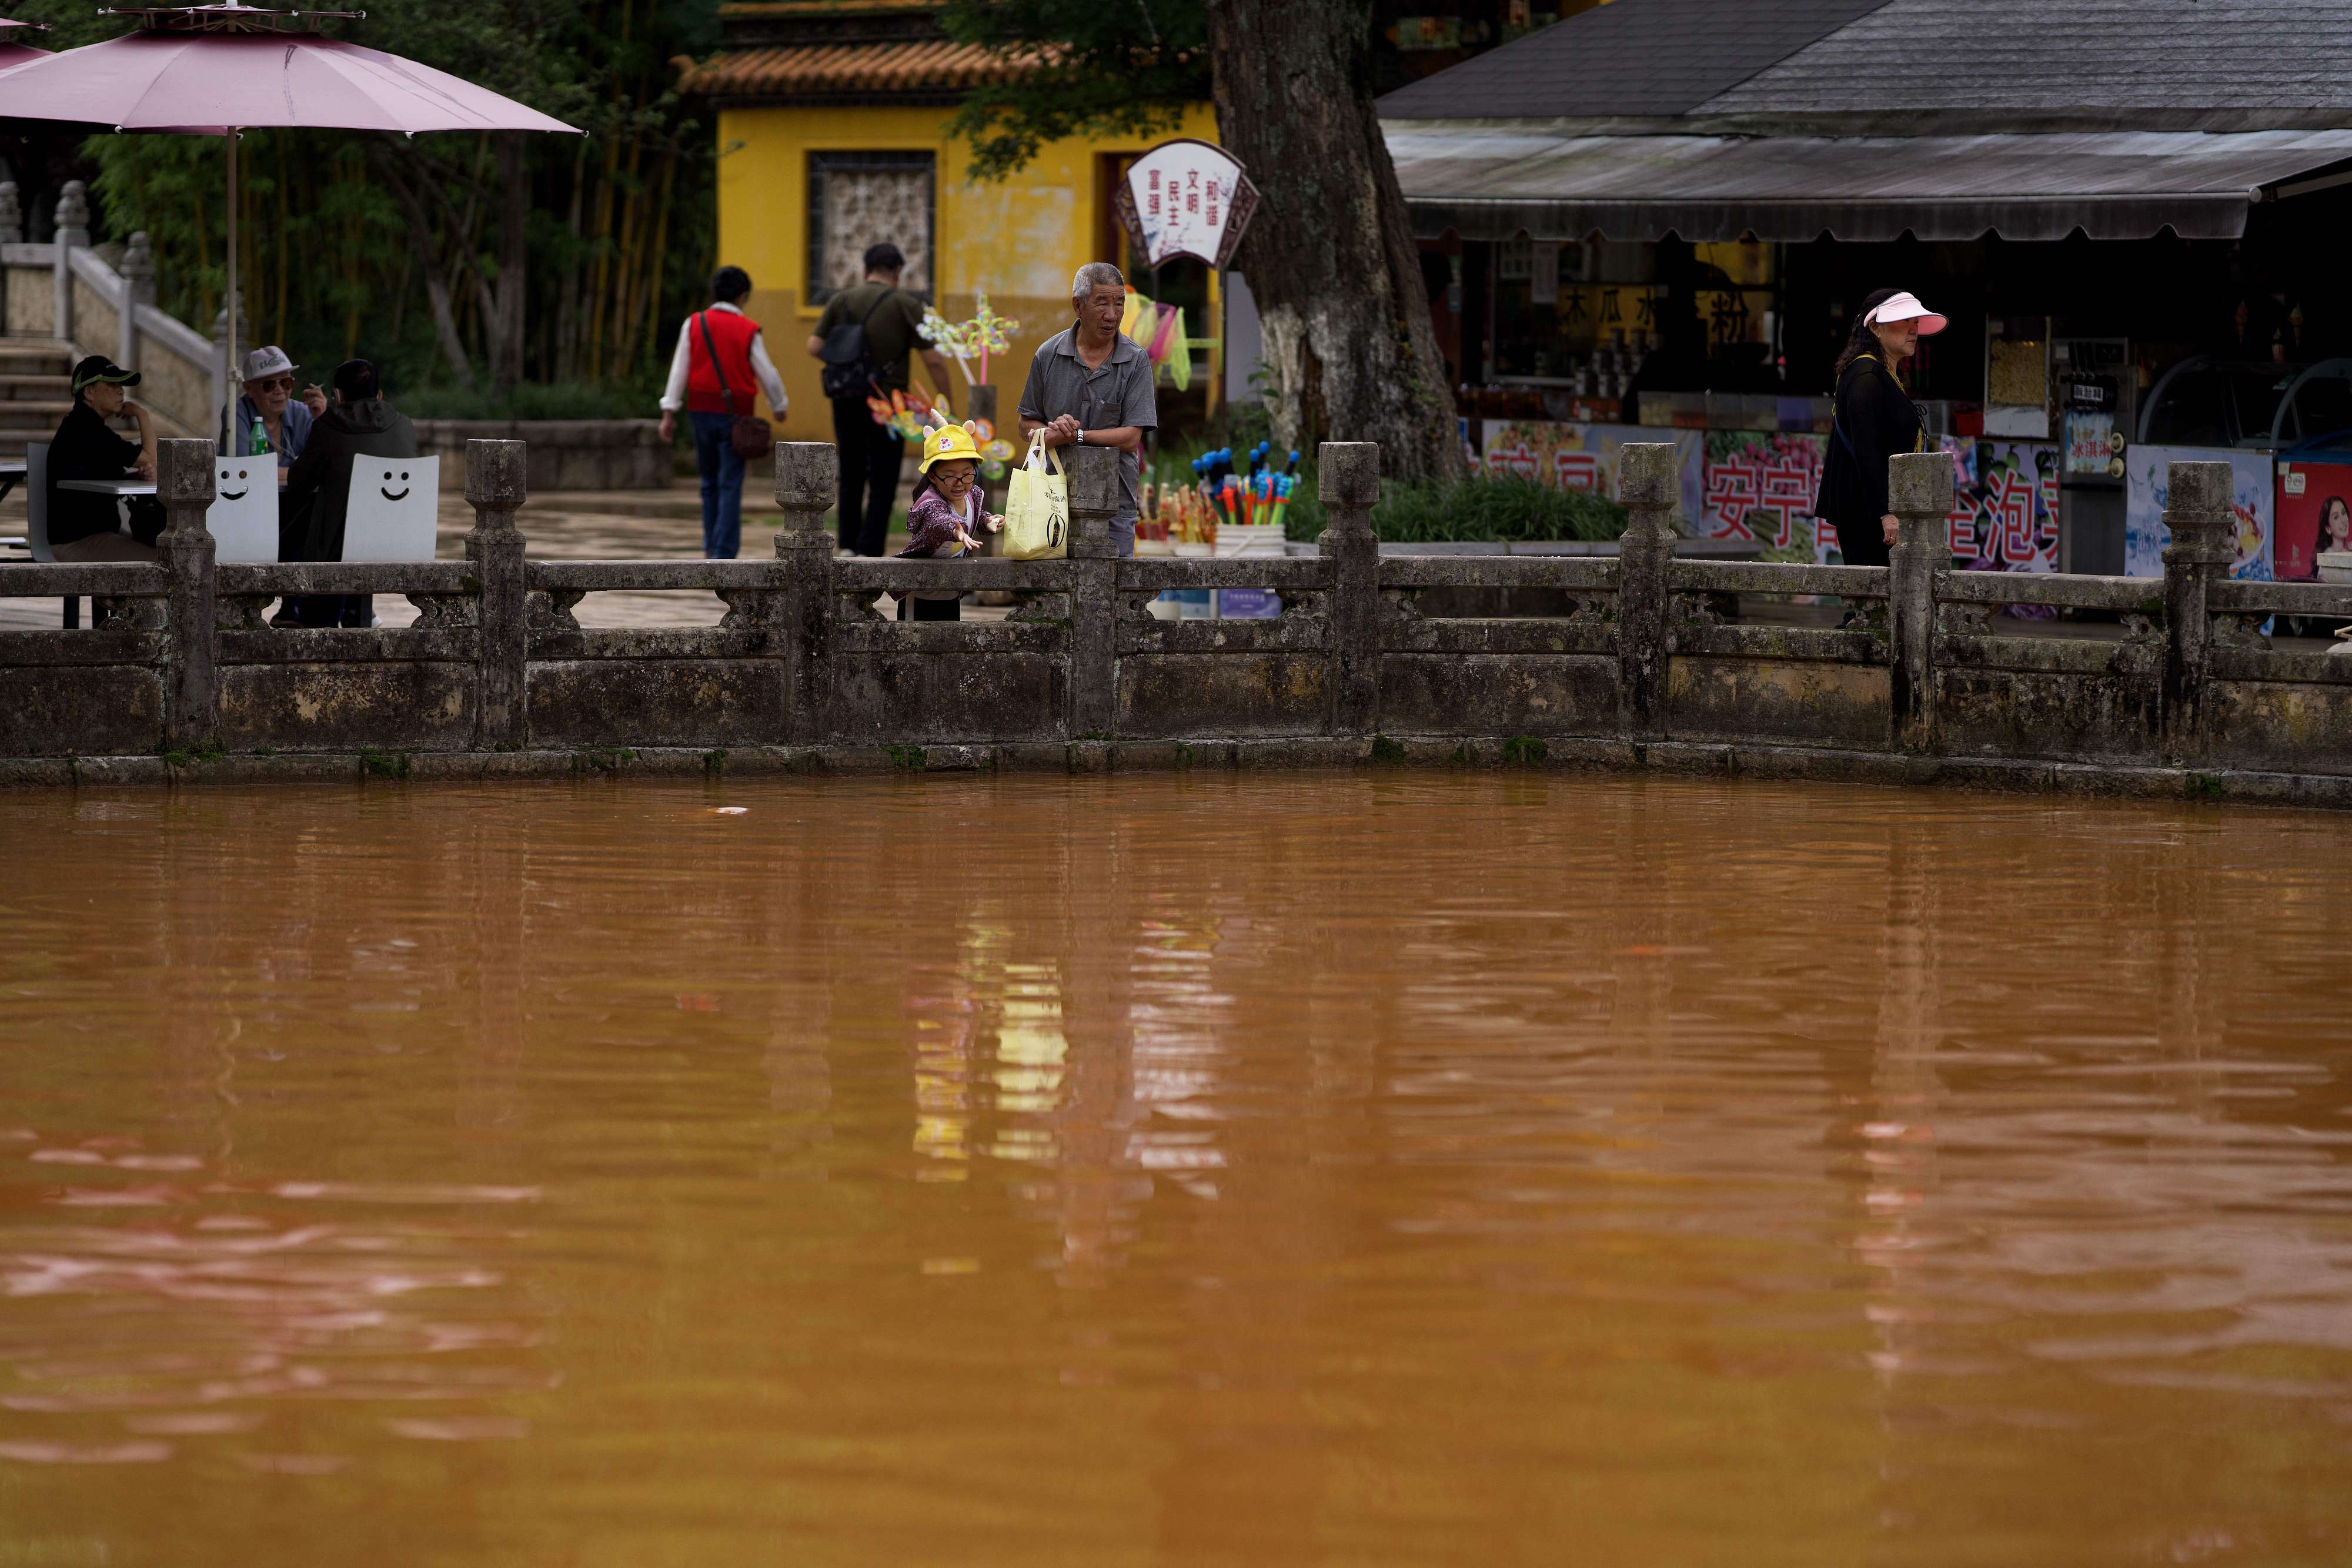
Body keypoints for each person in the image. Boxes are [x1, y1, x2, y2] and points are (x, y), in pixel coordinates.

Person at [805, 242, 956, 557]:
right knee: (884, 476)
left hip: (846, 397)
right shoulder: (905, 304)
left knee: (850, 469)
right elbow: (934, 362)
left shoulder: (842, 300)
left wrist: (848, 351)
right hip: (890, 406)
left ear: (866, 269)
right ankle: (869, 549)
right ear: (898, 271)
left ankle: (846, 544)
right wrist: (946, 407)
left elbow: (814, 346)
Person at [1018, 262, 1157, 559]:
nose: (1112, 314)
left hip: (1115, 505)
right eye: (1102, 303)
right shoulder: (1049, 354)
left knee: (1113, 593)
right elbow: (1026, 424)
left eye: (1119, 303)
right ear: (1078, 306)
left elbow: (1131, 437)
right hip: (1050, 498)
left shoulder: (1135, 361)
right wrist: (1050, 433)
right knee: (1050, 592)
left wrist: (1076, 436)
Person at [658, 265, 789, 560]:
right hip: (736, 416)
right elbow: (767, 374)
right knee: (730, 483)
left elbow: (680, 369)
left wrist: (669, 412)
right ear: (743, 296)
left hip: (700, 411)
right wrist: (779, 406)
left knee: (708, 483)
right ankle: (723, 553)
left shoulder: (694, 323)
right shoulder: (748, 329)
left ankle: (709, 547)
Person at [1813, 287, 1946, 569]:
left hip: (1874, 508)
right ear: (1875, 327)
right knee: (1871, 601)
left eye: (1916, 323)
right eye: (1905, 321)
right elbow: (1867, 449)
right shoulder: (1866, 376)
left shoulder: (1883, 373)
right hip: (1866, 512)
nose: (1914, 330)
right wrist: (1885, 513)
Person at [282, 357, 417, 628]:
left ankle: (311, 621)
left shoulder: (329, 426)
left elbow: (298, 483)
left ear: (338, 395)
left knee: (308, 521)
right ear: (379, 395)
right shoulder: (404, 425)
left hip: (337, 549)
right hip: (399, 538)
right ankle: (357, 615)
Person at [46, 356, 162, 562]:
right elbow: (151, 459)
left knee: (167, 553)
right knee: (164, 564)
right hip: (79, 541)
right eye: (111, 384)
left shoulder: (83, 424)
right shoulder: (87, 428)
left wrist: (134, 476)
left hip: (96, 534)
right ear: (89, 392)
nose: (121, 391)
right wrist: (141, 413)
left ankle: (114, 597)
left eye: (121, 385)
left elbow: (93, 473)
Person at [895, 422, 1001, 622]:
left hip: (951, 590)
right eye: (950, 478)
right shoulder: (930, 502)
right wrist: (956, 531)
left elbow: (974, 516)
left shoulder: (972, 496)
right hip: (920, 591)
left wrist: (988, 521)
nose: (960, 483)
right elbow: (938, 520)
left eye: (967, 475)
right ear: (933, 477)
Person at [223, 345, 326, 477]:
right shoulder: (236, 412)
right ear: (249, 389)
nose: (279, 391)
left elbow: (328, 466)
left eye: (286, 383)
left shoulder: (304, 413)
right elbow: (242, 471)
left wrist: (322, 420)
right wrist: (301, 474)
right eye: (269, 385)